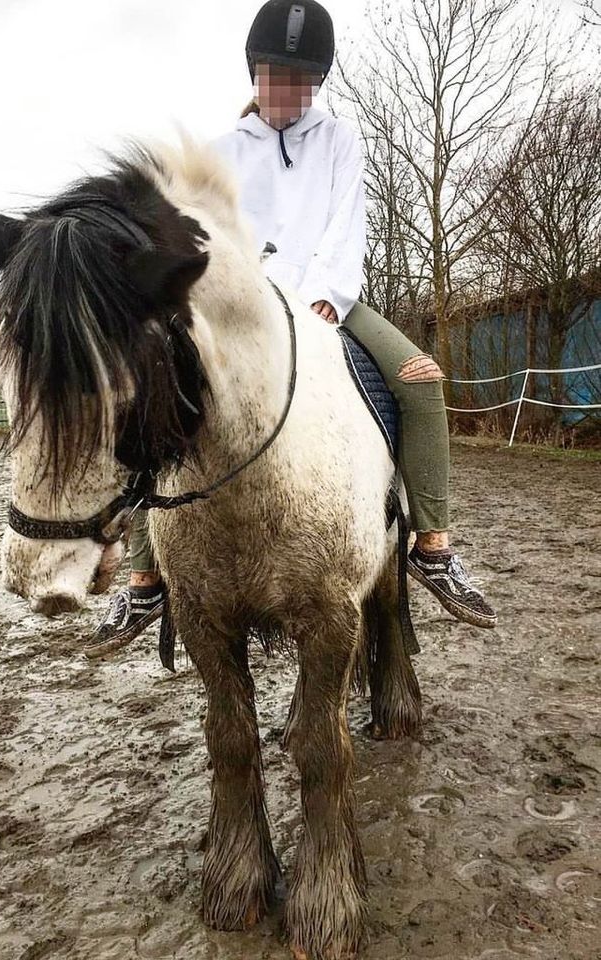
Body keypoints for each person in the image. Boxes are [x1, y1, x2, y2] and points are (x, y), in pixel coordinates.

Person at [84, 0, 497, 659]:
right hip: (236, 311)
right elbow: (198, 240)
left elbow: (346, 228)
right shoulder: (217, 154)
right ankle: (142, 575)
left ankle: (432, 546)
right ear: (255, 72)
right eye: (277, 75)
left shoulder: (339, 141)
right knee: (153, 391)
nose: (288, 90)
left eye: (302, 80)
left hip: (328, 300)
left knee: (419, 382)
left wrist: (322, 299)